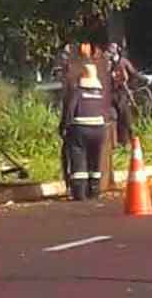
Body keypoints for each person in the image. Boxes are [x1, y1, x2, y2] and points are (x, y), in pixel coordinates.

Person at [59, 63, 106, 201]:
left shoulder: (77, 93)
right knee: (95, 159)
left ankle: (80, 192)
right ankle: (95, 190)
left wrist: (64, 128)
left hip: (80, 129)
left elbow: (69, 112)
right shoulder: (101, 95)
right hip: (99, 130)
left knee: (78, 157)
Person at [108, 43, 141, 146]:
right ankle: (114, 143)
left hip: (122, 92)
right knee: (112, 118)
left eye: (113, 48)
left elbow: (134, 74)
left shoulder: (123, 62)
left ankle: (128, 142)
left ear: (117, 50)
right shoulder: (107, 63)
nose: (110, 51)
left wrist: (131, 86)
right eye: (110, 48)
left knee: (125, 118)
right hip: (111, 94)